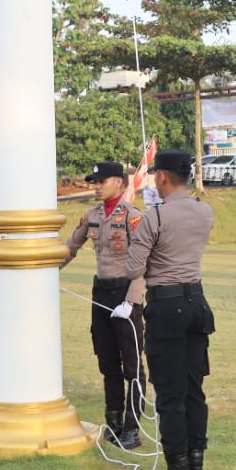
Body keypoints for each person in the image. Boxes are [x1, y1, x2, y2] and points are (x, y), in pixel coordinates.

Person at [118, 150, 214, 470]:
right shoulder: (205, 211)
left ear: (162, 178)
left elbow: (133, 269)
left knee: (170, 395)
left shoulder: (155, 217)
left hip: (166, 305)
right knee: (193, 391)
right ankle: (197, 466)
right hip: (197, 303)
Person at [63, 161, 147, 449]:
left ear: (121, 184)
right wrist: (43, 272)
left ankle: (132, 427)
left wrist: (131, 301)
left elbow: (142, 264)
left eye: (102, 181)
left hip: (125, 295)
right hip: (100, 295)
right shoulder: (91, 215)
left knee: (132, 365)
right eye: (94, 182)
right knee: (107, 362)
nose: (96, 186)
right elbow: (70, 248)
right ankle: (113, 424)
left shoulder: (132, 217)